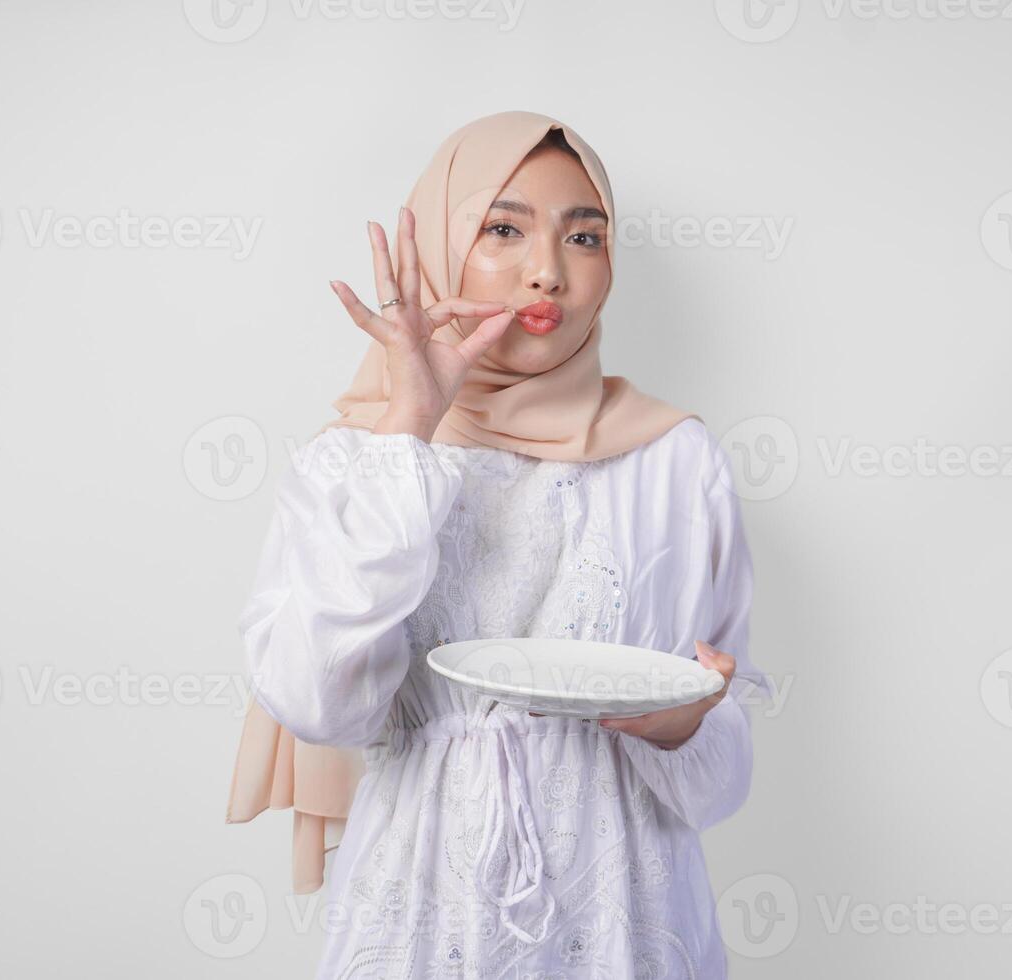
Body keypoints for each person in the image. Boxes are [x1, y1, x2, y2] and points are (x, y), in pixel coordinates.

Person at [226, 109, 766, 976]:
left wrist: (682, 728)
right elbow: (314, 697)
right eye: (501, 229)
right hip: (423, 907)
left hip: (626, 906)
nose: (546, 271)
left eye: (583, 236)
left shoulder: (676, 460)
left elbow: (727, 760)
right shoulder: (357, 465)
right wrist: (410, 423)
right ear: (443, 248)